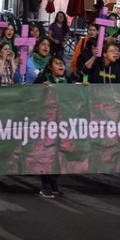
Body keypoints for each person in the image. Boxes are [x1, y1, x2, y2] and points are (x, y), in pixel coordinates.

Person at [33, 55, 73, 198]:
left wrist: (84, 85)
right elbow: (30, 95)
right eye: (57, 63)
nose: (61, 65)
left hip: (62, 123)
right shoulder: (43, 80)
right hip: (46, 123)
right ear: (50, 67)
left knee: (59, 154)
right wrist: (39, 88)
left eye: (62, 63)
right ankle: (46, 184)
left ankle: (54, 180)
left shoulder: (68, 81)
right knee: (46, 153)